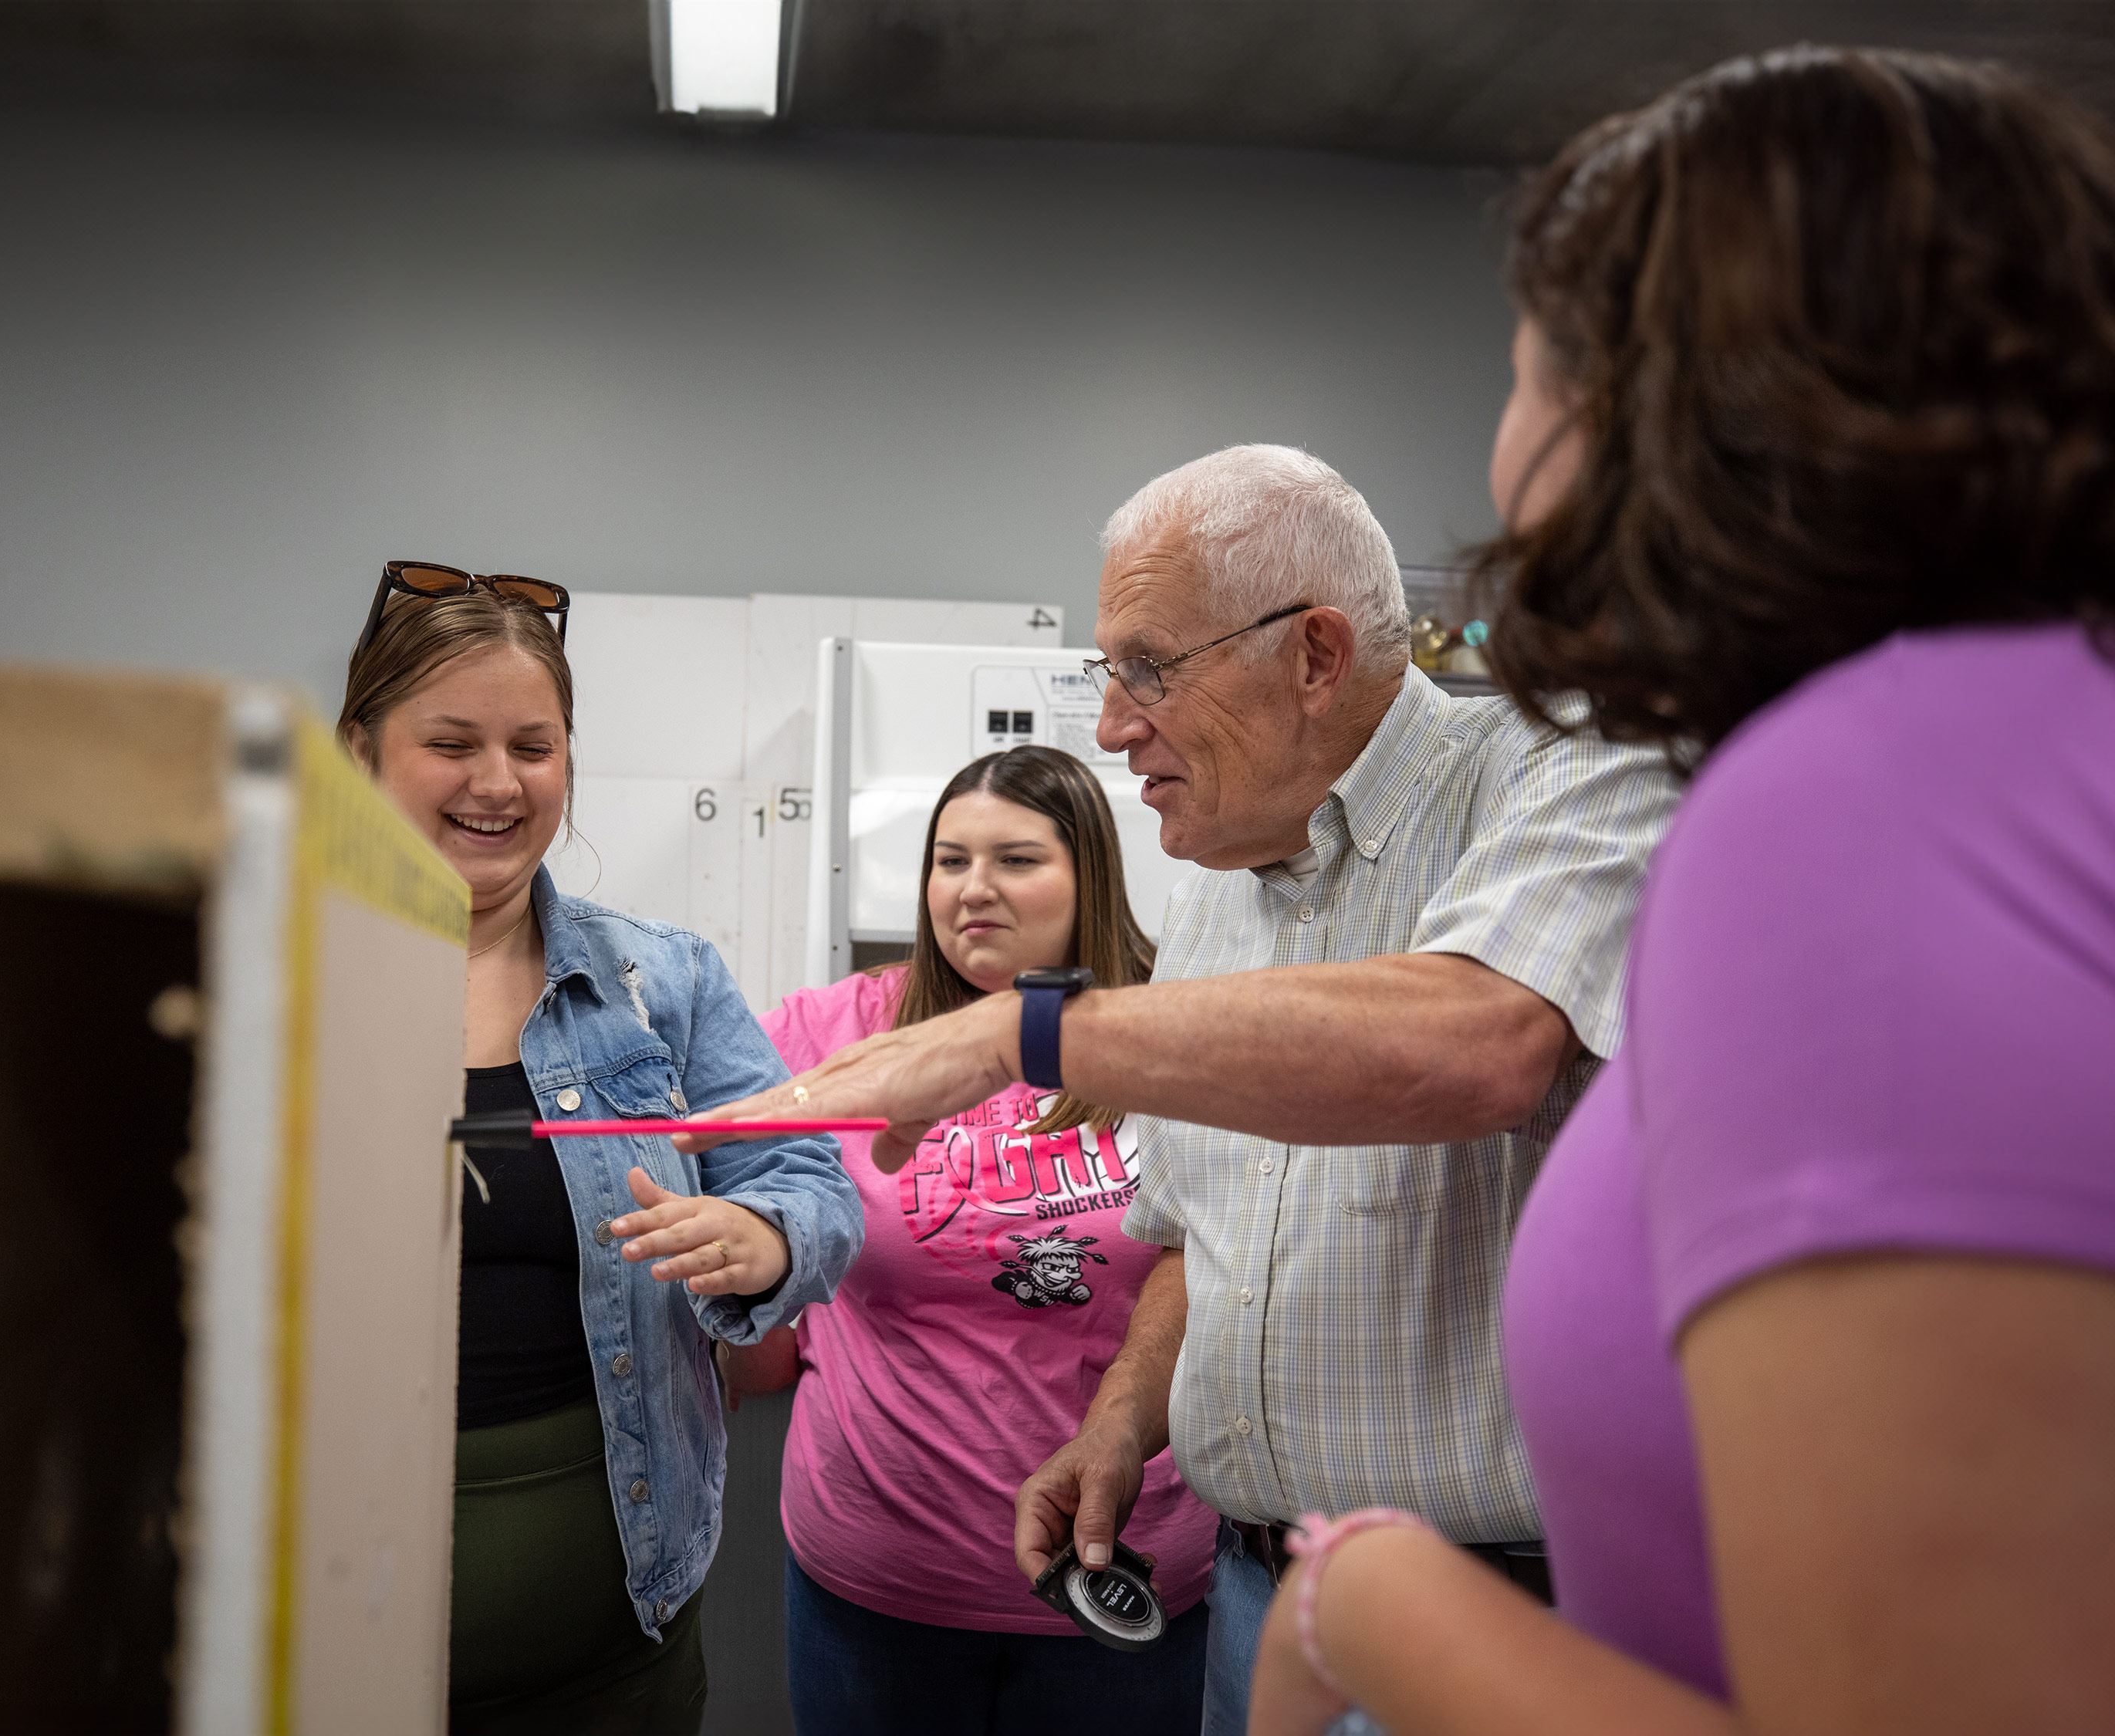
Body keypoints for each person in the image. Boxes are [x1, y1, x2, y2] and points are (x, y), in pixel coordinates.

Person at [1242, 46, 2115, 1736]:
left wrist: (1372, 1601)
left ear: (1638, 414)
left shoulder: (1860, 810)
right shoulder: (2027, 747)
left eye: (1520, 372)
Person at [681, 448, 1680, 1736]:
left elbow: (1479, 1043)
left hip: (1496, 1613)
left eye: (1149, 668)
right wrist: (1121, 1422)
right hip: (1256, 1595)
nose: (1110, 725)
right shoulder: (1220, 891)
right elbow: (1204, 1241)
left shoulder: (1565, 770)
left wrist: (1027, 1034)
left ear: (1314, 654)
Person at [337, 562, 863, 1735]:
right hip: (324, 1650)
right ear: (362, 750)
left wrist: (764, 1237)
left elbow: (808, 1180)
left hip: (619, 1645)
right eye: (451, 742)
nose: (497, 782)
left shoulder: (660, 980)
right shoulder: (263, 976)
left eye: (534, 746)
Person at [718, 745, 1215, 1736]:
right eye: (950, 861)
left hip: (1123, 1571)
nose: (973, 889)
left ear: (1089, 874)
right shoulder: (833, 1031)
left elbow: (1223, 1260)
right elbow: (731, 1204)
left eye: (1016, 860)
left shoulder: (1170, 1026)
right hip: (876, 1579)